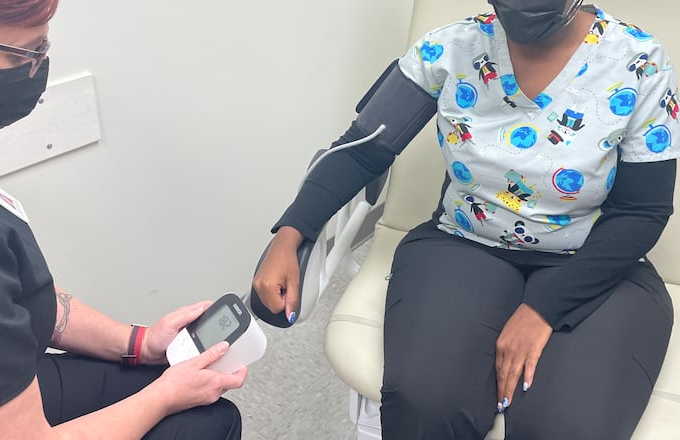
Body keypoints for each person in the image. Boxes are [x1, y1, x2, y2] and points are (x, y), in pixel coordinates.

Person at [253, 1, 677, 438]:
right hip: (465, 240)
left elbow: (642, 212)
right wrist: (291, 233)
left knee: (566, 427)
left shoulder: (639, 63)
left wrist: (542, 311)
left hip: (592, 259)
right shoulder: (450, 47)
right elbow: (362, 149)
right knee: (426, 403)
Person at [0, 1, 246, 439]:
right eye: (25, 54)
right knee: (200, 423)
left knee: (209, 415)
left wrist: (138, 344)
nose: (38, 68)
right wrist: (166, 395)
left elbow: (18, 291)